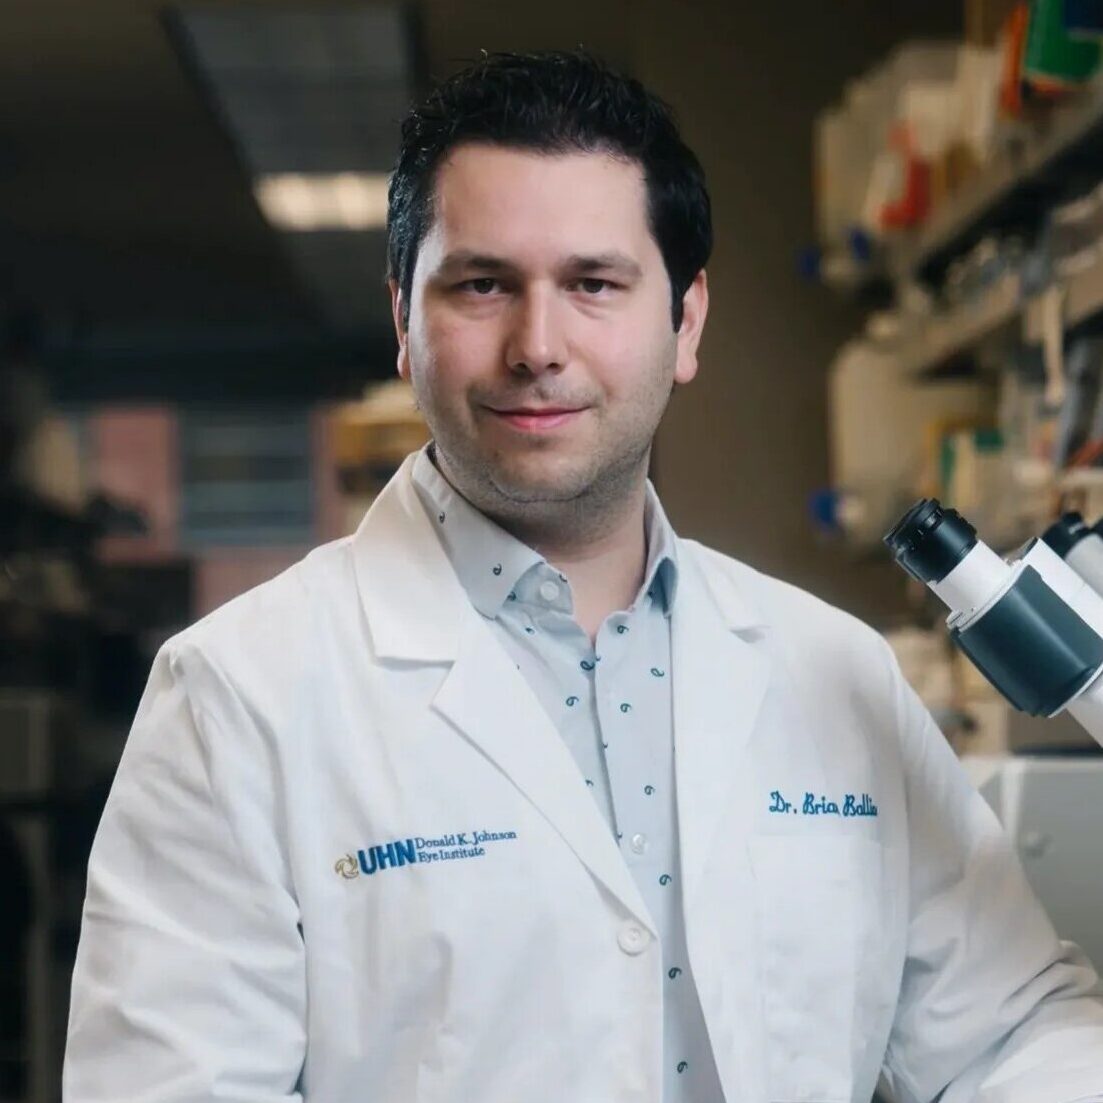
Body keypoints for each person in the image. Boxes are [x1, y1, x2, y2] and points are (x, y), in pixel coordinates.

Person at [64, 50, 1103, 1103]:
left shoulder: (831, 668)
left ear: (684, 321)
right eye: (481, 285)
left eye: (593, 284)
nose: (537, 345)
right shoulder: (237, 693)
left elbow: (1008, 1027)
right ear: (401, 322)